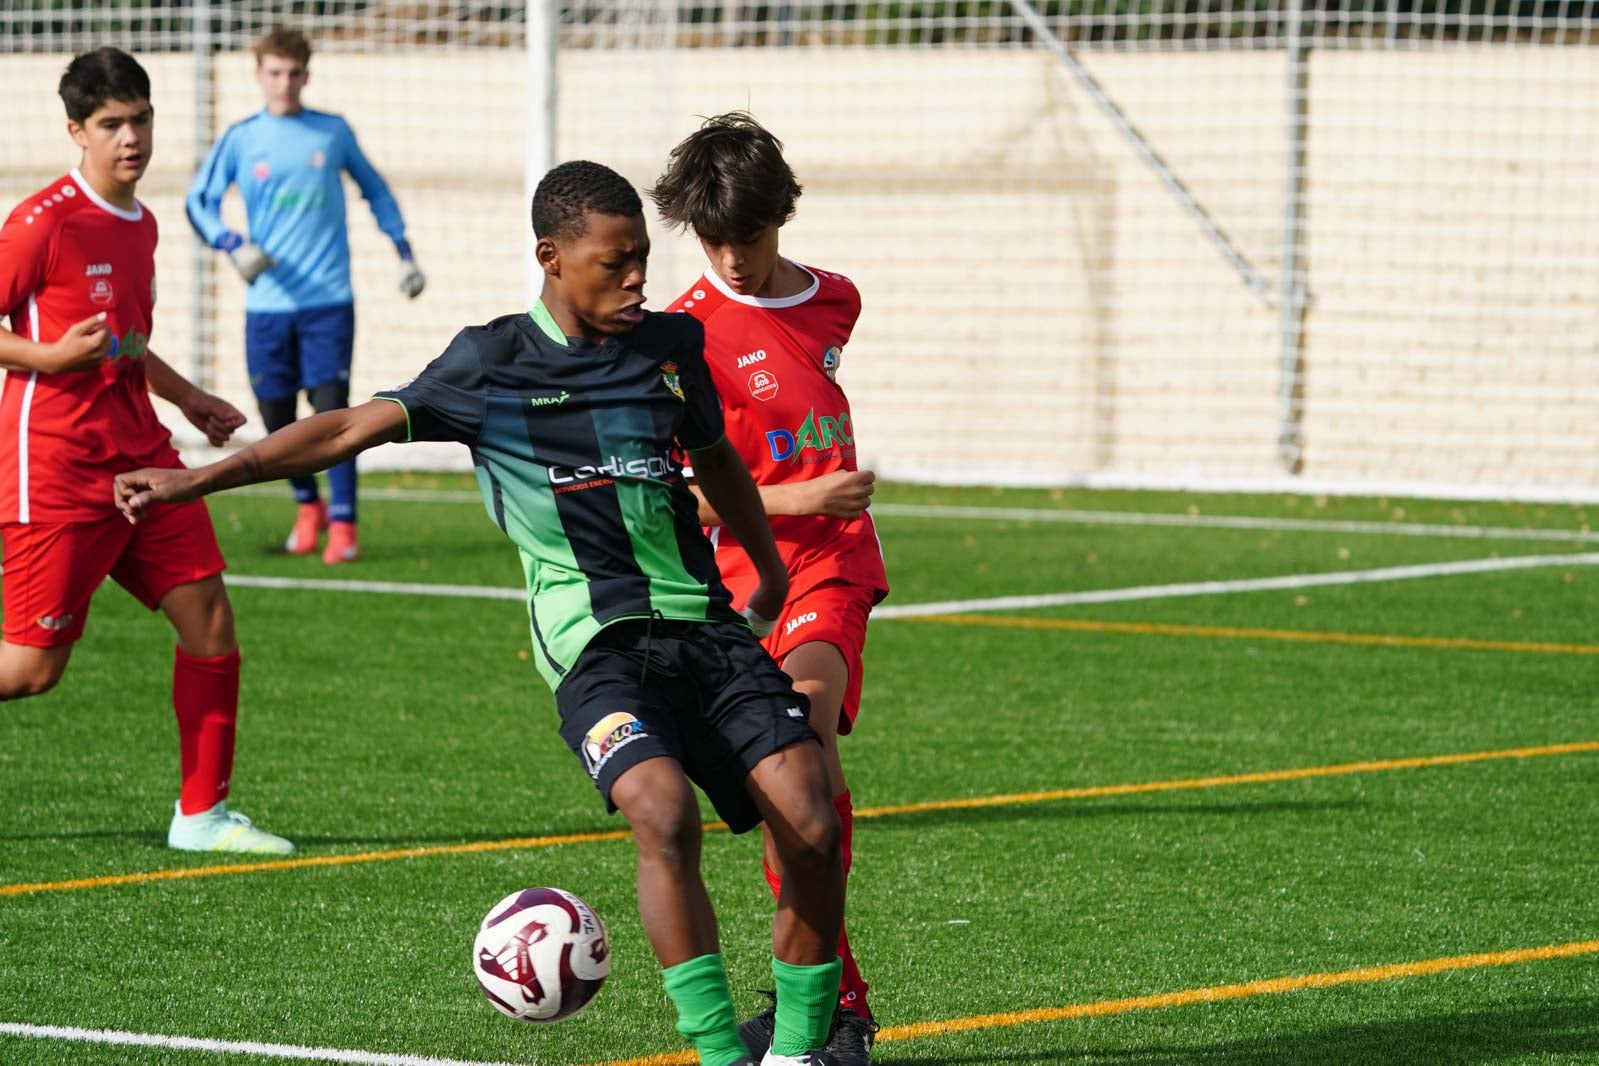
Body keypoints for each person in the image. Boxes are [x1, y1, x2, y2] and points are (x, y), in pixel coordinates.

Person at [118, 160, 846, 1066]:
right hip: (594, 649)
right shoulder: (489, 362)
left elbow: (718, 462)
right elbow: (344, 428)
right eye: (614, 262)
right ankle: (719, 1054)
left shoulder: (671, 346)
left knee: (812, 822)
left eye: (640, 261)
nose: (636, 279)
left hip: (704, 625)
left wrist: (767, 572)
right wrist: (198, 478)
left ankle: (800, 1049)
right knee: (661, 813)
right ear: (551, 257)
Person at [0, 47, 293, 856]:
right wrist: (49, 360)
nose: (130, 137)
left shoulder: (143, 222)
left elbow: (126, 342)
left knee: (209, 622)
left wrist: (186, 396)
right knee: (31, 672)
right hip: (56, 466)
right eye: (110, 124)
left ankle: (200, 817)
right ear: (76, 131)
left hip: (144, 460)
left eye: (140, 119)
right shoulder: (42, 222)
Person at [651, 112, 889, 1066]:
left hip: (830, 570)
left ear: (778, 218)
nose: (732, 260)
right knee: (787, 793)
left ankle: (837, 1016)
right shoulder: (681, 334)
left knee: (808, 763)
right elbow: (685, 496)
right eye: (713, 242)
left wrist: (823, 510)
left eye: (746, 239)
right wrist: (804, 490)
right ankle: (826, 1000)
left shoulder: (838, 300)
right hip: (738, 589)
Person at [186, 26, 425, 565]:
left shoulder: (331, 132)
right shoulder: (242, 138)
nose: (284, 83)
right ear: (259, 75)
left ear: (307, 75)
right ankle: (306, 505)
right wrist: (231, 242)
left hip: (328, 301)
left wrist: (404, 252)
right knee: (275, 412)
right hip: (267, 303)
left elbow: (376, 190)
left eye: (294, 73)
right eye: (274, 72)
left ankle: (343, 524)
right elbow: (198, 201)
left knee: (331, 410)